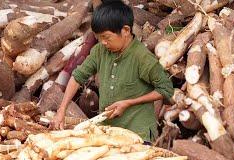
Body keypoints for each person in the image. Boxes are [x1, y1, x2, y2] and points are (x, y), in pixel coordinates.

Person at [51, 0, 174, 142]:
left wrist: (129, 103)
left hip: (138, 134)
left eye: (107, 37)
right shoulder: (99, 51)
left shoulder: (142, 57)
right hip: (108, 131)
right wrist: (62, 110)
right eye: (99, 38)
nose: (103, 42)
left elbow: (166, 89)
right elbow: (77, 77)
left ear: (126, 31)